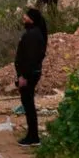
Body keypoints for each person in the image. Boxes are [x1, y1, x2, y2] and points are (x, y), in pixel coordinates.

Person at [15, 8, 48, 147]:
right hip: (31, 73)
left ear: (32, 19)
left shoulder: (33, 35)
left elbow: (30, 58)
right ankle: (31, 134)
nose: (24, 18)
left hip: (29, 75)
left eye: (26, 16)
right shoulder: (35, 34)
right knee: (28, 104)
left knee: (28, 105)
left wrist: (24, 76)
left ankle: (33, 136)